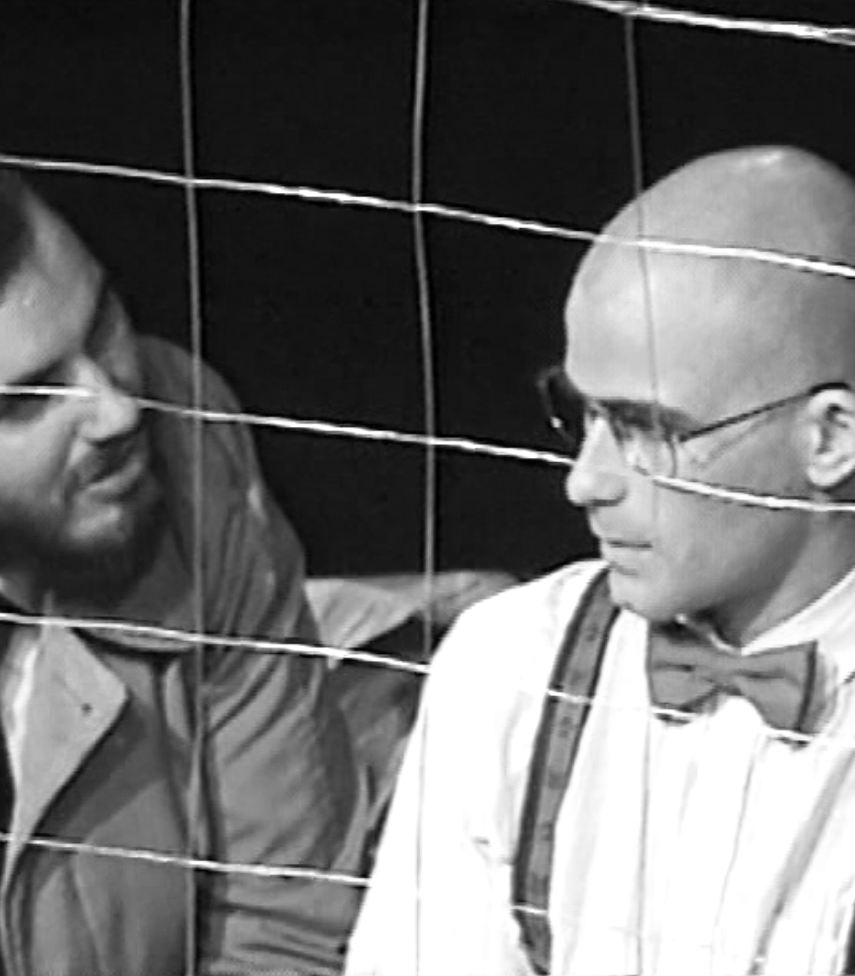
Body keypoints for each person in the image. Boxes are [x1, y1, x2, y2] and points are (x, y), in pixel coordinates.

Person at [345, 145, 855, 976]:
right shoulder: (507, 668)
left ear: (828, 437)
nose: (584, 483)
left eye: (646, 429)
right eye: (578, 415)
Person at [0, 129, 368, 976]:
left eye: (102, 322)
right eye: (30, 400)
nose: (115, 409)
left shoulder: (182, 445)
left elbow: (284, 918)